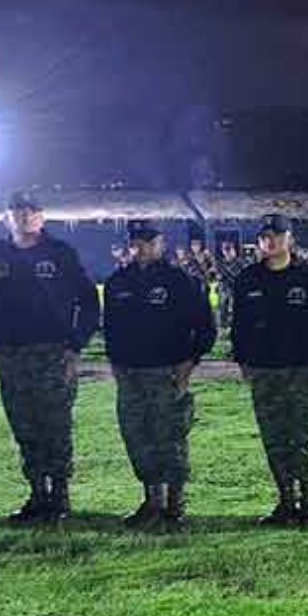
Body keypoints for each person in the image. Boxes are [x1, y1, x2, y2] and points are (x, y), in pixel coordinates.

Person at [0, 191, 100, 524]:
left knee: (55, 424)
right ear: (7, 217)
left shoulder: (60, 254)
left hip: (52, 353)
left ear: (41, 217)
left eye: (31, 211)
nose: (24, 216)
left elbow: (88, 303)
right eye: (17, 211)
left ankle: (59, 495)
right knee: (23, 425)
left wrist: (75, 346)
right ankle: (37, 493)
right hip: (11, 355)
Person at [230, 214, 308, 526]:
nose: (271, 241)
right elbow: (238, 325)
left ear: (290, 240)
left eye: (277, 235)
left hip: (302, 370)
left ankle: (307, 501)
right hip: (264, 371)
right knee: (273, 437)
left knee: (299, 435)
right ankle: (285, 500)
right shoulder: (248, 280)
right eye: (265, 236)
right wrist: (243, 360)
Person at [102, 220, 217, 530]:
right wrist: (115, 361)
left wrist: (189, 362)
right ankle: (152, 502)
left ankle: (175, 506)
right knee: (137, 437)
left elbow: (206, 327)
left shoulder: (180, 282)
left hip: (167, 372)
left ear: (161, 244)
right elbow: (110, 328)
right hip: (130, 374)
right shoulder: (118, 283)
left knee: (170, 438)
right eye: (136, 242)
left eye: (148, 242)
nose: (141, 248)